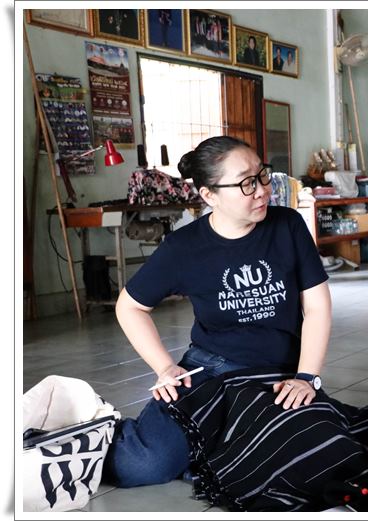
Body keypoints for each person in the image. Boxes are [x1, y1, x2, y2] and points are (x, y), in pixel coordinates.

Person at [103, 136, 333, 487]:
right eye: (246, 183)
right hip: (211, 371)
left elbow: (316, 307)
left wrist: (307, 377)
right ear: (209, 195)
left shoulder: (288, 226)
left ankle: (208, 450)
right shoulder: (184, 247)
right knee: (144, 465)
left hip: (279, 375)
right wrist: (164, 367)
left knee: (313, 456)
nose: (262, 190)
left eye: (262, 175)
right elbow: (130, 306)